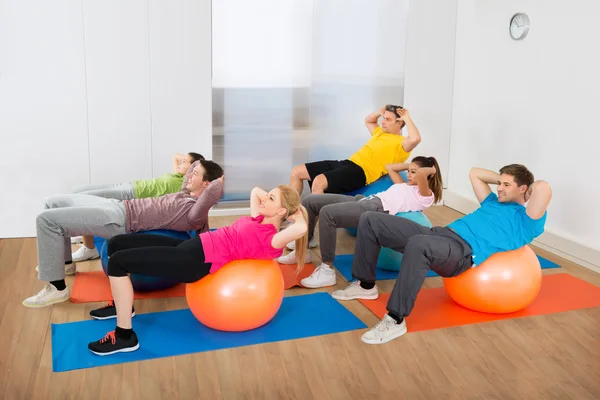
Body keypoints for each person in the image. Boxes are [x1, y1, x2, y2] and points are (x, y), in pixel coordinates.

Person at [331, 164, 552, 344]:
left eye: (506, 185)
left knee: (418, 244)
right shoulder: (493, 201)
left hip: (461, 253)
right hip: (439, 234)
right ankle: (365, 285)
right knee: (371, 219)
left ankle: (395, 319)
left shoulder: (527, 221)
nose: (499, 188)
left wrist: (526, 187)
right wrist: (505, 183)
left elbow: (543, 188)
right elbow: (474, 172)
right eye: (499, 183)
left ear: (524, 189)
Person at [86, 184, 309, 356]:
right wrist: (272, 198)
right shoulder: (259, 218)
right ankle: (121, 304)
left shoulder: (273, 240)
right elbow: (254, 191)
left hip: (195, 262)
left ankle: (125, 336)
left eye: (271, 198)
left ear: (281, 210)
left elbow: (302, 228)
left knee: (118, 262)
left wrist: (296, 213)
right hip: (195, 245)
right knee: (116, 243)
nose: (264, 198)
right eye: (268, 195)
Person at [22, 160, 225, 308]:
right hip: (118, 206)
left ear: (207, 185)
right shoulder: (184, 193)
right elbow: (192, 173)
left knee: (46, 219)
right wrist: (197, 165)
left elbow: (211, 193)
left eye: (195, 174)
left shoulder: (194, 214)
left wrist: (220, 179)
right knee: (52, 202)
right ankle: (64, 265)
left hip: (118, 219)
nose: (189, 176)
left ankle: (57, 288)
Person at [278, 156, 443, 289]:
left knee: (327, 213)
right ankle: (302, 252)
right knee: (311, 201)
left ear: (427, 175)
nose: (409, 174)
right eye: (409, 171)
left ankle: (327, 270)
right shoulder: (404, 185)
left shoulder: (425, 195)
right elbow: (390, 167)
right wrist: (410, 165)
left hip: (375, 209)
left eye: (413, 172)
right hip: (364, 200)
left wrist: (429, 169)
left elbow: (421, 176)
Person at [70, 152, 205, 262]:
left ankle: (89, 248)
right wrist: (186, 160)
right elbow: (175, 156)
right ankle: (84, 237)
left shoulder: (185, 184)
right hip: (129, 185)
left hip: (130, 195)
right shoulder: (178, 173)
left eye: (185, 162)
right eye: (182, 161)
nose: (180, 162)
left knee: (84, 200)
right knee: (77, 191)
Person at [289, 105, 422, 195]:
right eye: (383, 119)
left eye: (387, 119)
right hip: (347, 163)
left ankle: (307, 232)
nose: (383, 122)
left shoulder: (403, 143)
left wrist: (407, 118)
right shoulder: (380, 133)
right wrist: (379, 112)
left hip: (362, 172)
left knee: (318, 182)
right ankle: (291, 217)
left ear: (399, 123)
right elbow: (369, 121)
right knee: (297, 172)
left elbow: (416, 138)